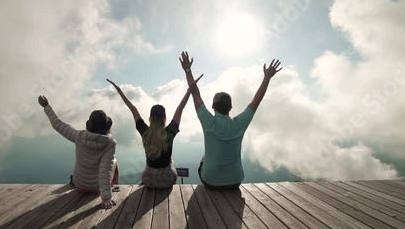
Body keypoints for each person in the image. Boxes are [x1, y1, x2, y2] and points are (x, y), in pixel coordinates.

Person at [179, 51, 282, 189]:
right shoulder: (239, 124)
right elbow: (256, 101)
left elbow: (195, 95)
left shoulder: (209, 123)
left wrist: (188, 70)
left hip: (211, 182)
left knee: (204, 158)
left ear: (213, 106)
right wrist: (267, 78)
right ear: (231, 107)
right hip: (235, 182)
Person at [107, 77, 201, 188]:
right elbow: (180, 109)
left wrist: (119, 91)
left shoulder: (144, 131)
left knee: (150, 167)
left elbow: (133, 109)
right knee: (172, 162)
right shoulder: (170, 132)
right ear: (164, 118)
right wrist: (188, 92)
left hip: (148, 180)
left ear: (150, 118)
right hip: (167, 180)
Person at [38, 95, 118, 209]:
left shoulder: (79, 136)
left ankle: (108, 186)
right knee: (114, 161)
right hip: (97, 188)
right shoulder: (110, 144)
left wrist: (46, 106)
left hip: (79, 184)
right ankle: (114, 185)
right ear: (106, 128)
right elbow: (105, 171)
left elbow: (58, 125)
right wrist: (106, 197)